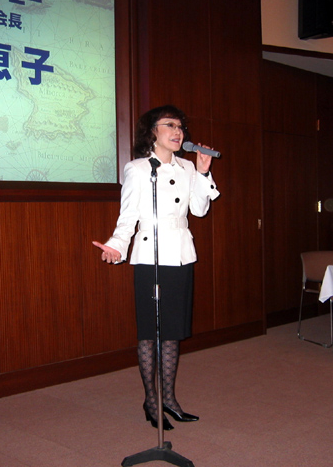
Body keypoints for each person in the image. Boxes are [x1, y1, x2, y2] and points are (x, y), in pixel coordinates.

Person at [92, 105, 219, 430]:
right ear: (152, 131)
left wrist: (204, 173)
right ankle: (151, 401)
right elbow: (128, 216)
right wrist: (117, 246)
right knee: (151, 333)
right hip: (150, 256)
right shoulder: (137, 168)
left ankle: (170, 399)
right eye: (169, 125)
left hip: (180, 255)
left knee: (172, 332)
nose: (177, 132)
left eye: (180, 126)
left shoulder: (188, 167)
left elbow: (199, 210)